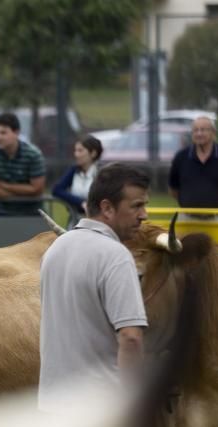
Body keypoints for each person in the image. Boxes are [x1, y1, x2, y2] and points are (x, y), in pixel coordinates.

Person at [38, 163, 149, 414]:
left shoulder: (55, 249)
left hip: (50, 406)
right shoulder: (116, 256)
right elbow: (131, 339)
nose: (144, 215)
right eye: (136, 206)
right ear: (107, 208)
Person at [168, 115, 218, 222]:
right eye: (195, 130)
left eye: (203, 130)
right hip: (187, 219)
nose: (199, 133)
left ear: (213, 133)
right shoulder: (181, 158)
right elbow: (173, 190)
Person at [0, 111, 46, 217]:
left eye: (3, 133)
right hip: (2, 213)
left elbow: (37, 190)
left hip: (33, 214)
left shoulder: (33, 154)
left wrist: (3, 185)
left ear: (16, 132)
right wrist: (25, 192)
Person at [51, 135, 104, 220]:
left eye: (80, 151)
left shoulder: (101, 173)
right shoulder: (74, 170)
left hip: (96, 221)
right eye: (75, 151)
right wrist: (81, 203)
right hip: (75, 220)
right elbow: (57, 190)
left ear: (93, 153)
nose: (76, 154)